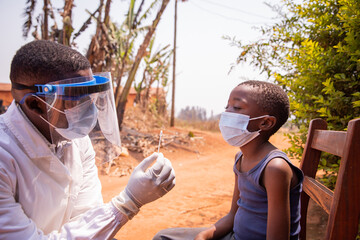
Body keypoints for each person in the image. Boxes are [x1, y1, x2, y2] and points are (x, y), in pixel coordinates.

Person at [0, 40, 175, 239]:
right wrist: (128, 202)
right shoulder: (5, 157)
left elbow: (87, 221)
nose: (89, 107)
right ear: (35, 104)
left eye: (91, 97)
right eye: (77, 98)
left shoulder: (75, 140)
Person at [153, 80, 304, 240]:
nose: (227, 113)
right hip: (234, 235)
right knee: (162, 237)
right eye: (227, 107)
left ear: (265, 122)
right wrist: (203, 236)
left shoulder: (274, 168)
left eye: (237, 108)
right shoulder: (240, 159)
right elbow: (233, 214)